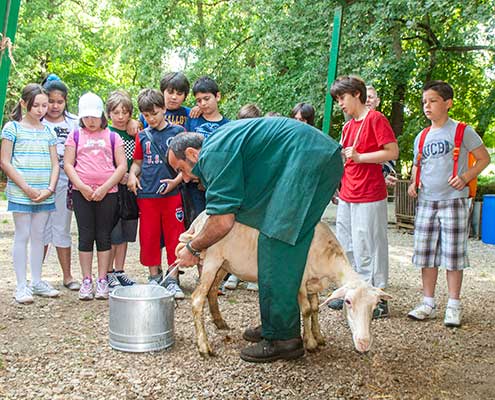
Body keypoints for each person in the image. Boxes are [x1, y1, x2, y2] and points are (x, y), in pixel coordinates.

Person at [168, 118, 343, 363]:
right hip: (314, 156)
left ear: (192, 154)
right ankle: (275, 323)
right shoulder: (220, 147)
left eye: (180, 169)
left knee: (277, 241)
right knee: (274, 240)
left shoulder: (213, 156)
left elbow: (222, 220)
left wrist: (192, 247)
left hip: (309, 158)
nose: (184, 178)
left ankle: (283, 339)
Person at [407, 80, 490, 327]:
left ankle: (454, 305)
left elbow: (484, 159)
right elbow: (417, 165)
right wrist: (413, 183)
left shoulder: (462, 131)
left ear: (448, 103)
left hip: (454, 201)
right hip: (426, 202)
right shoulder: (421, 136)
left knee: (453, 255)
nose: (427, 106)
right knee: (426, 254)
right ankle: (428, 302)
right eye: (424, 102)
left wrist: (465, 177)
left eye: (432, 101)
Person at [328, 75, 399, 318]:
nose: (340, 103)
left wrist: (361, 157)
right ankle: (353, 289)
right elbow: (345, 158)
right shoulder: (348, 126)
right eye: (337, 99)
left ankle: (376, 295)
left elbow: (392, 151)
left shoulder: (376, 118)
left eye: (342, 97)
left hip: (369, 192)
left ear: (357, 94)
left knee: (369, 244)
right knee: (347, 244)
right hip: (349, 191)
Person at [0, 83, 60, 304]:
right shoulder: (12, 128)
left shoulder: (49, 131)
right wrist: (25, 187)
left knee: (39, 237)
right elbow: (5, 161)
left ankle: (36, 281)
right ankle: (21, 285)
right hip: (21, 192)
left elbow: (56, 164)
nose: (41, 110)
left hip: (45, 192)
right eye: (36, 105)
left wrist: (50, 188)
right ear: (24, 104)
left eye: (44, 105)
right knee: (22, 235)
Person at [64, 92, 127, 301]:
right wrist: (81, 187)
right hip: (82, 193)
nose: (91, 121)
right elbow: (68, 164)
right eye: (87, 117)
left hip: (107, 193)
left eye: (94, 116)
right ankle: (86, 279)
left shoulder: (112, 136)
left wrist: (105, 187)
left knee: (104, 235)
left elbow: (121, 166)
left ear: (102, 115)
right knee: (85, 235)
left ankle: (102, 279)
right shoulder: (75, 135)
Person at [127, 89, 186, 299]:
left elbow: (186, 165)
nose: (151, 118)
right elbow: (137, 163)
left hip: (172, 195)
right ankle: (154, 276)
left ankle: (172, 277)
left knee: (174, 236)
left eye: (155, 113)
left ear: (163, 109)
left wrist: (175, 182)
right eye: (146, 115)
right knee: (149, 236)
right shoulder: (142, 136)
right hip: (147, 195)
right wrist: (133, 176)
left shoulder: (178, 132)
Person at [41, 75, 80, 291]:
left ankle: (67, 276)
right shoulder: (36, 120)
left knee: (62, 227)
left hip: (66, 181)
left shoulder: (73, 122)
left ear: (65, 102)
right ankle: (36, 276)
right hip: (41, 181)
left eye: (59, 101)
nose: (54, 106)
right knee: (40, 229)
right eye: (50, 101)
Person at [224, 103, 263, 292]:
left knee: (255, 235)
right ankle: (235, 272)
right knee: (238, 234)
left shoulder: (263, 143)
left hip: (258, 199)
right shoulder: (235, 142)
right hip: (240, 197)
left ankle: (255, 274)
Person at [106, 90, 138, 290]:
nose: (120, 117)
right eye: (116, 112)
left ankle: (120, 270)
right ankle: (108, 272)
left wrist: (133, 175)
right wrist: (119, 176)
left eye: (125, 112)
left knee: (126, 232)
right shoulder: (106, 133)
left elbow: (138, 157)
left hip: (130, 188)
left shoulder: (134, 132)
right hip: (112, 187)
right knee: (112, 233)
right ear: (109, 113)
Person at [366, 85, 397, 187]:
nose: (367, 100)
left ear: (377, 101)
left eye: (370, 97)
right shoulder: (350, 125)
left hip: (373, 185)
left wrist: (383, 175)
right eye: (364, 97)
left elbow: (392, 154)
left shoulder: (380, 121)